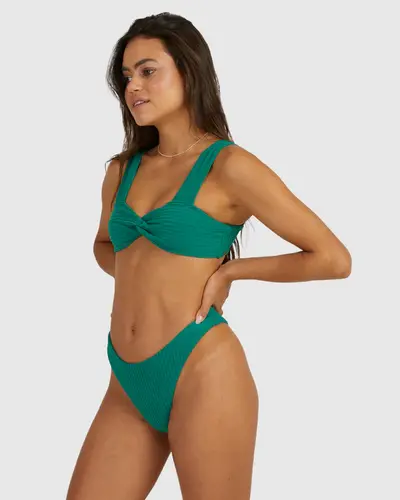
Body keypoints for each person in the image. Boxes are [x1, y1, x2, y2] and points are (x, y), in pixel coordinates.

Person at [66, 12, 352, 500]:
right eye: (127, 75)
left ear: (188, 71)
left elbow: (332, 258)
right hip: (126, 379)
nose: (133, 86)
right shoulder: (121, 170)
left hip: (202, 369)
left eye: (148, 71)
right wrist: (141, 279)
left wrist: (231, 272)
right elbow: (103, 245)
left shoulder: (230, 167)